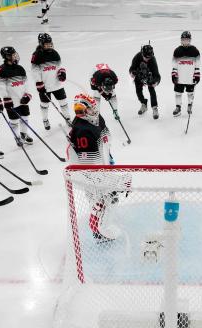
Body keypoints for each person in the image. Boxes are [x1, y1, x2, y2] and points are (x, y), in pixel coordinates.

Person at [67, 93, 130, 241]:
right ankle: (99, 232)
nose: (93, 111)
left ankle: (105, 226)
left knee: (110, 199)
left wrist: (109, 160)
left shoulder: (97, 118)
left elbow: (104, 144)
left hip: (103, 167)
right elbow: (89, 166)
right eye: (89, 109)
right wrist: (116, 182)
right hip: (90, 175)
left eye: (93, 107)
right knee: (100, 202)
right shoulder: (83, 131)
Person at [0, 46, 34, 145]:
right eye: (13, 55)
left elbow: (25, 83)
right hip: (11, 100)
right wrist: (6, 98)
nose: (15, 56)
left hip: (22, 98)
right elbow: (0, 87)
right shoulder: (1, 70)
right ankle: (17, 137)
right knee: (14, 120)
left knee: (25, 116)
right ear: (7, 56)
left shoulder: (20, 68)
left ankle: (24, 134)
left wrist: (27, 94)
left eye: (15, 53)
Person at [31, 33, 70, 130]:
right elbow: (34, 70)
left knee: (63, 102)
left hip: (57, 84)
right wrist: (39, 82)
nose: (49, 45)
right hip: (45, 86)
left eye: (50, 43)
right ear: (41, 44)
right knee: (45, 104)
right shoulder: (36, 55)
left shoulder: (55, 53)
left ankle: (67, 118)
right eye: (46, 44)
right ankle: (45, 119)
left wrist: (62, 72)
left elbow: (59, 66)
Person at [171, 31, 201, 117]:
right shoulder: (177, 50)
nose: (185, 42)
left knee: (190, 93)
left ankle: (189, 106)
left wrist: (197, 74)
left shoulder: (195, 50)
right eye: (183, 40)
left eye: (187, 40)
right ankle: (178, 107)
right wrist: (174, 74)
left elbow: (198, 64)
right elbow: (174, 64)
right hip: (180, 77)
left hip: (190, 77)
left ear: (190, 40)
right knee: (178, 92)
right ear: (181, 40)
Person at [129, 44, 161, 119]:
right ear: (142, 54)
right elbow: (131, 68)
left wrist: (156, 82)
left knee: (152, 90)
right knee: (138, 90)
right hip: (139, 75)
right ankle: (143, 103)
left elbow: (157, 74)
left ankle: (154, 108)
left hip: (150, 76)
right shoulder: (137, 57)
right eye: (146, 57)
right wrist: (132, 73)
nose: (147, 59)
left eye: (149, 57)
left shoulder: (152, 59)